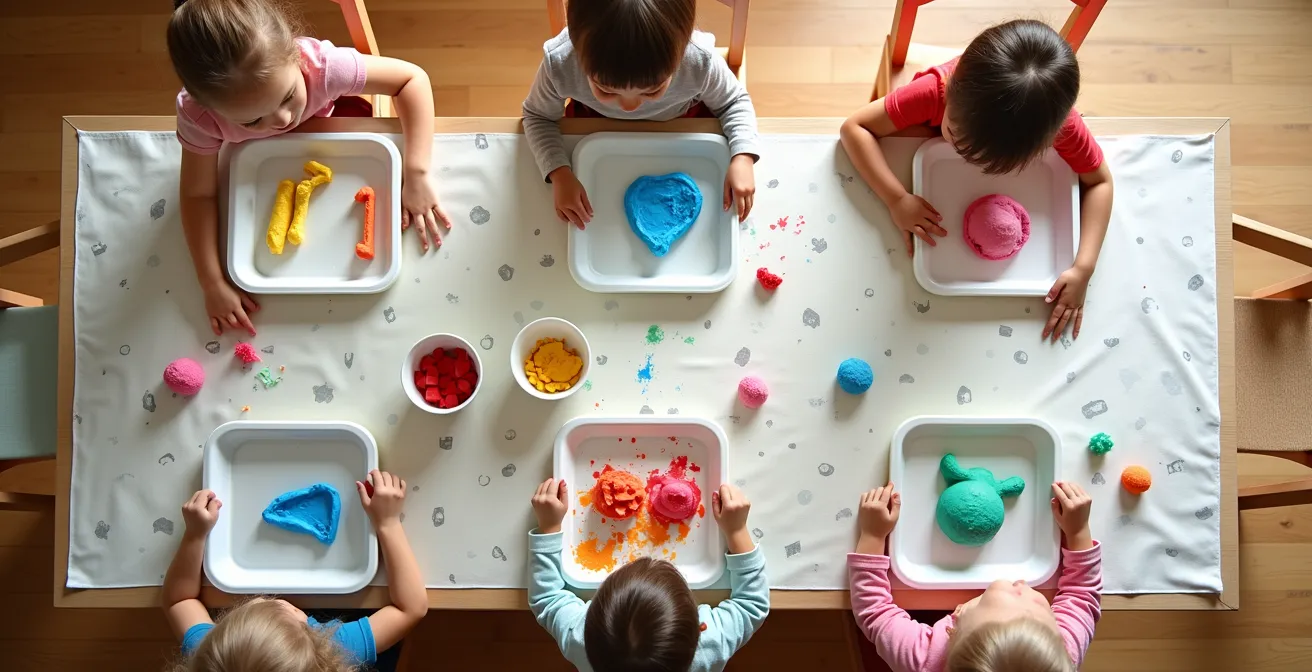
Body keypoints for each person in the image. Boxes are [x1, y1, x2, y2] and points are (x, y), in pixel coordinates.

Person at [167, 0, 452, 337]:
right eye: (254, 120)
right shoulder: (199, 117)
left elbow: (411, 80)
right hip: (257, 171)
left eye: (288, 96)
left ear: (294, 56)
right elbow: (198, 193)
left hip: (341, 127)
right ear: (208, 106)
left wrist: (417, 172)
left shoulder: (323, 68)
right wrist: (211, 281)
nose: (283, 120)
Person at [840, 19, 1114, 342]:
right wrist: (896, 198)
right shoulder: (935, 92)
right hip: (918, 141)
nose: (962, 155)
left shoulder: (1059, 126)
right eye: (954, 135)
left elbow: (1100, 183)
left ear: (1044, 144)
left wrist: (1084, 267)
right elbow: (854, 128)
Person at [521, 0, 760, 230]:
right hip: (593, 127)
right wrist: (559, 173)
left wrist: (743, 156)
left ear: (684, 45)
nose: (629, 106)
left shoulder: (699, 62)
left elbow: (734, 101)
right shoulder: (561, 63)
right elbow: (537, 116)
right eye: (606, 90)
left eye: (652, 90)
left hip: (682, 124)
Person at [162, 471, 427, 671]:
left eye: (247, 609)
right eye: (291, 615)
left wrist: (195, 536)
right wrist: (389, 523)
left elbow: (179, 600)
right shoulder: (338, 649)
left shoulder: (213, 655)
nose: (271, 600)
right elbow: (411, 608)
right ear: (320, 652)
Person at [848, 482, 1101, 672]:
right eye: (1041, 606)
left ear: (956, 619)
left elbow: (874, 612)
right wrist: (1078, 531)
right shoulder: (1058, 651)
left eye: (1013, 591)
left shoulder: (922, 660)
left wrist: (872, 535)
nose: (1023, 584)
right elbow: (1082, 596)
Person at [527, 478, 769, 671]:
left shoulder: (578, 639)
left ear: (587, 622)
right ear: (700, 628)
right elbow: (752, 604)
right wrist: (737, 531)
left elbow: (547, 598)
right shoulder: (710, 645)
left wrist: (549, 527)